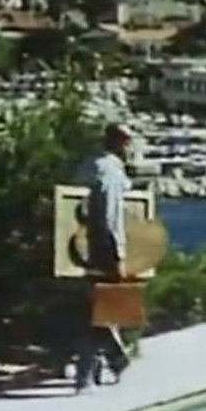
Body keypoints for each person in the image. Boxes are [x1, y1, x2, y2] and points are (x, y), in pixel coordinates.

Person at [74, 123, 133, 393]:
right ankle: (93, 372)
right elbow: (110, 216)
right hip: (102, 251)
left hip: (78, 251)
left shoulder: (88, 165)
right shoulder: (110, 170)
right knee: (101, 313)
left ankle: (105, 365)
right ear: (120, 143)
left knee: (94, 311)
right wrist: (117, 254)